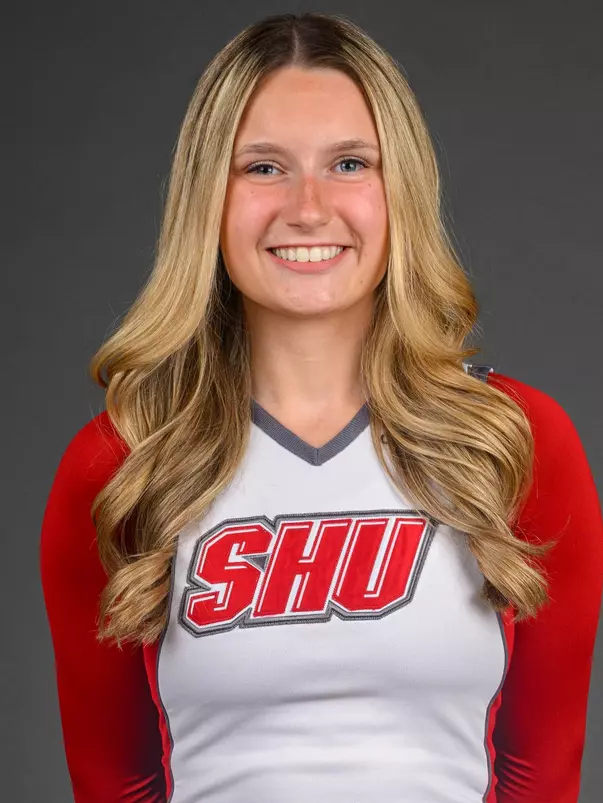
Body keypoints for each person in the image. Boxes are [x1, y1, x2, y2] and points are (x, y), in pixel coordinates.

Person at [39, 11, 603, 803]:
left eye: (348, 163)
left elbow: (540, 772)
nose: (308, 208)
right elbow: (116, 781)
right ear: (208, 198)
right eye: (263, 168)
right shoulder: (123, 462)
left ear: (398, 188)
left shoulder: (514, 441)